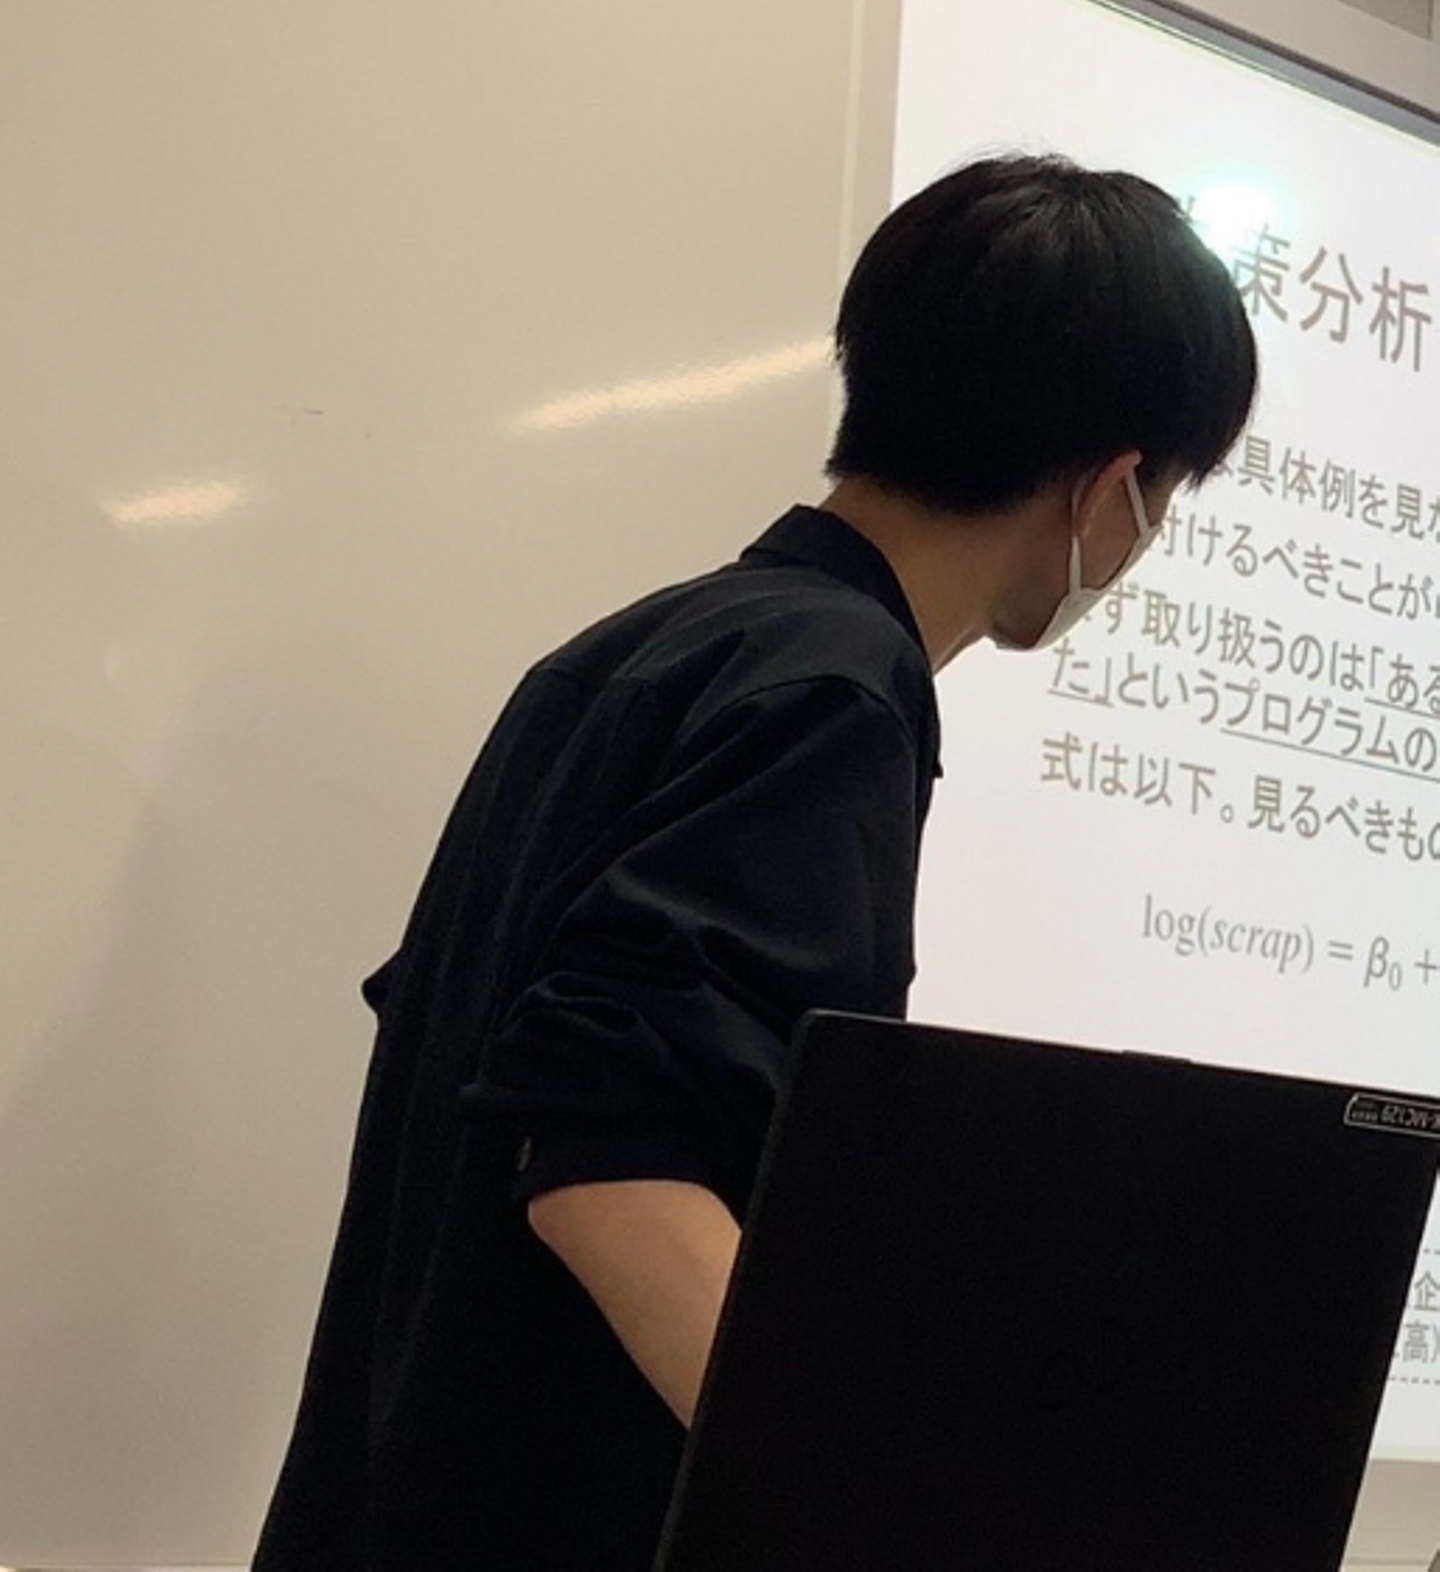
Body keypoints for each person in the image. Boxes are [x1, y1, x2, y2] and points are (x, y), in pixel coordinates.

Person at [253, 153, 1257, 1570]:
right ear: (1112, 486)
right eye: (1167, 498)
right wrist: (881, 1514)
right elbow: (610, 1155)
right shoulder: (836, 689)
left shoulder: (636, 652)